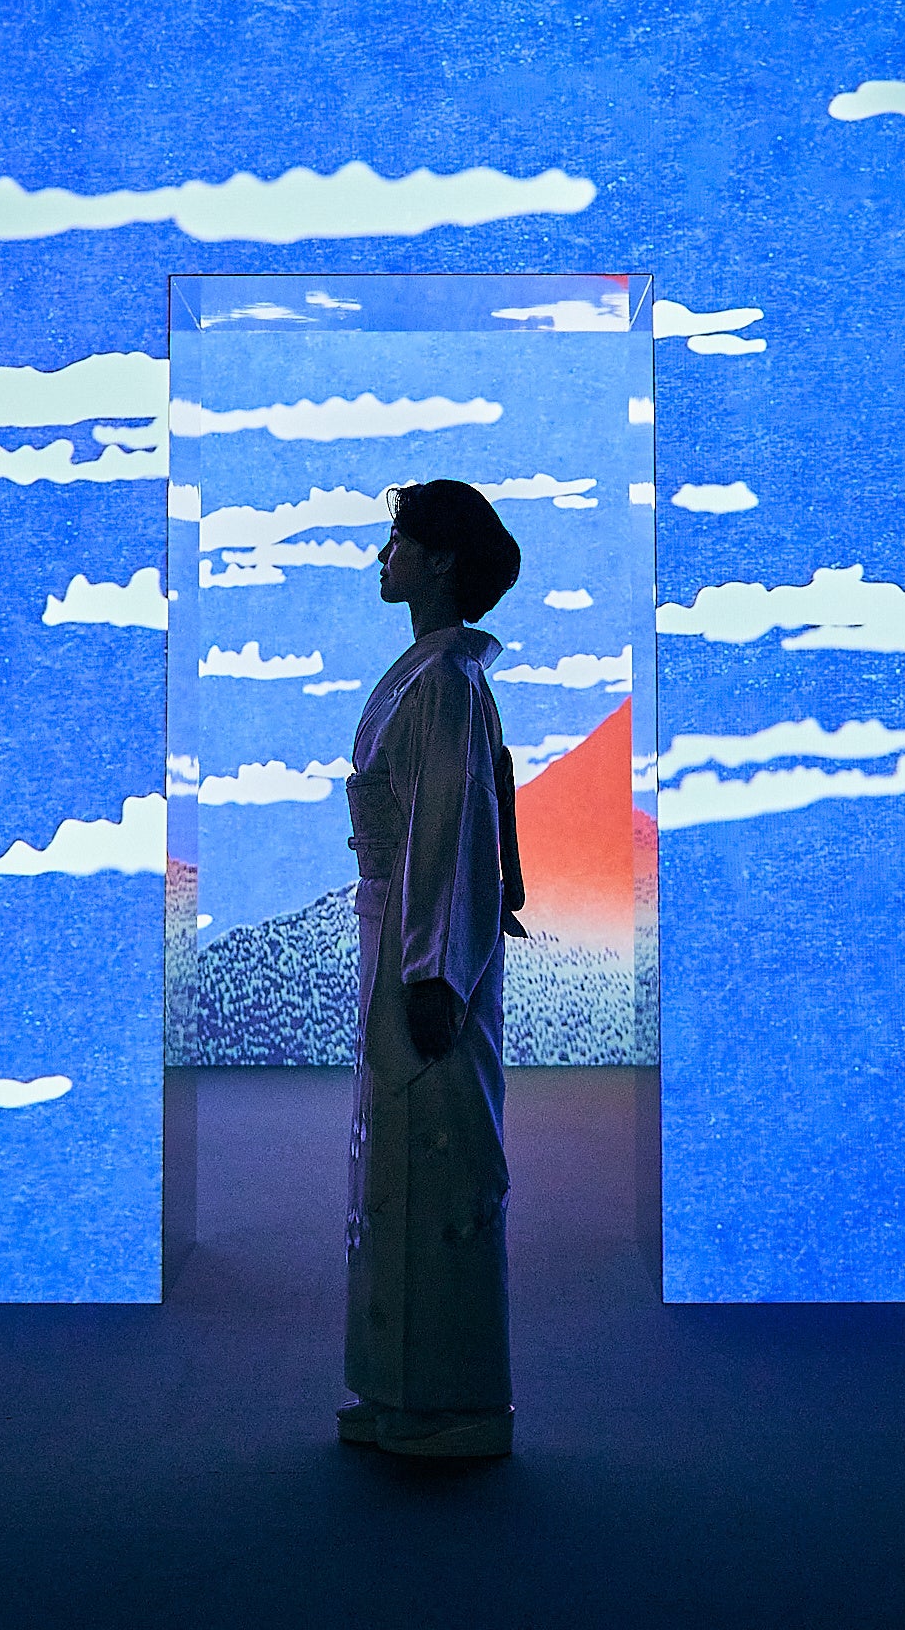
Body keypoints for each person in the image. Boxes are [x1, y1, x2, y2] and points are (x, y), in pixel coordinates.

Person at [334, 479, 527, 1459]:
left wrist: (434, 972)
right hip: (401, 926)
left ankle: (450, 1398)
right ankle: (398, 1384)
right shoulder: (435, 677)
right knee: (400, 1152)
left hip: (422, 941)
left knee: (436, 1150)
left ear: (441, 559)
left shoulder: (445, 682)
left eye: (400, 540)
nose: (385, 555)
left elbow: (451, 831)